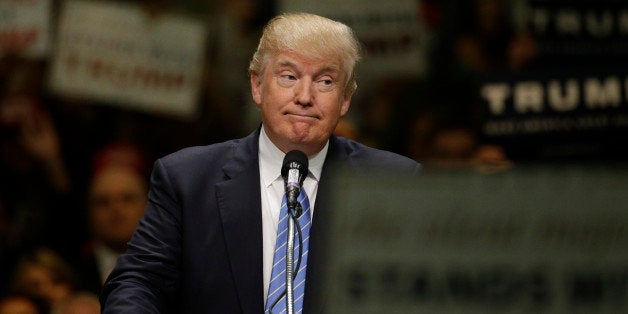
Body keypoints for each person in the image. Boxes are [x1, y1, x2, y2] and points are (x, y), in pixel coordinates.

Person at [100, 12, 421, 313]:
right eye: (289, 76)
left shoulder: (394, 182)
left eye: (325, 81)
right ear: (257, 85)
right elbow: (140, 280)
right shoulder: (187, 179)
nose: (305, 95)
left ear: (346, 98)